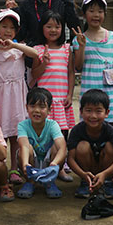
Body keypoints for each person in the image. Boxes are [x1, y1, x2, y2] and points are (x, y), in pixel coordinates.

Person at [0, 9, 39, 185]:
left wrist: (15, 45)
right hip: (1, 94)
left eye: (12, 28)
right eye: (4, 26)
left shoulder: (19, 48)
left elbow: (35, 54)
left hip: (18, 94)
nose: (8, 31)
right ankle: (0, 167)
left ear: (17, 31)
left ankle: (15, 169)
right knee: (0, 130)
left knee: (16, 133)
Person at [32, 10, 76, 182]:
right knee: (43, 134)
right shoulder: (38, 49)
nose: (53, 30)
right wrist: (44, 63)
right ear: (42, 28)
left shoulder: (67, 49)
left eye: (57, 27)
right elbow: (34, 74)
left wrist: (70, 94)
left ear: (62, 29)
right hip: (44, 103)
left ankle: (60, 167)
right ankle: (42, 165)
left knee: (62, 135)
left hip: (61, 100)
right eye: (48, 26)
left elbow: (71, 73)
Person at [72, 0, 113, 129]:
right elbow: (78, 66)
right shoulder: (79, 39)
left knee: (110, 123)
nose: (96, 15)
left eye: (100, 11)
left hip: (111, 89)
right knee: (89, 123)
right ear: (84, 14)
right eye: (91, 11)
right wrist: (82, 46)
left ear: (105, 14)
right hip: (90, 86)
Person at [67, 89, 113, 200]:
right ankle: (86, 182)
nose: (93, 116)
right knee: (82, 146)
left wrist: (105, 174)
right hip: (86, 169)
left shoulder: (110, 130)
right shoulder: (77, 130)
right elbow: (70, 159)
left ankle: (107, 183)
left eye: (98, 111)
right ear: (81, 112)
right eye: (88, 110)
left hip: (105, 170)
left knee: (111, 147)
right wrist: (83, 174)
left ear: (107, 113)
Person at [16, 88, 68, 199]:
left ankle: (50, 181)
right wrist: (25, 164)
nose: (37, 110)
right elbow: (24, 146)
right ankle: (30, 182)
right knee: (23, 150)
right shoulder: (22, 125)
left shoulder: (53, 125)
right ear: (26, 107)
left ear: (49, 110)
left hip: (49, 163)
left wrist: (54, 164)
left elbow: (62, 147)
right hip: (31, 164)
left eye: (42, 107)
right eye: (32, 106)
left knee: (59, 149)